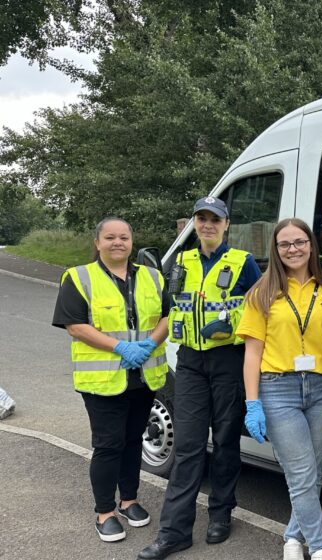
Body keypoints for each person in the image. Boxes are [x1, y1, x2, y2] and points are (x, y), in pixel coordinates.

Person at [139, 196, 261, 559]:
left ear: (226, 225)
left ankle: (221, 514)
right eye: (201, 219)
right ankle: (174, 531)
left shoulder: (244, 263)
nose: (207, 225)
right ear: (194, 223)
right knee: (189, 447)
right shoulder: (180, 262)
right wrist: (146, 346)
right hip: (191, 362)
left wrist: (230, 323)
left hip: (228, 361)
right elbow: (167, 309)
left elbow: (261, 311)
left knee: (225, 442)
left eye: (214, 219)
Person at [237, 218, 322, 560]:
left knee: (312, 471)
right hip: (278, 389)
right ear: (276, 249)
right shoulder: (261, 293)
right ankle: (319, 547)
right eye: (285, 244)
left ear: (311, 246)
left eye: (299, 242)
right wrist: (252, 402)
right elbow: (252, 353)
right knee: (300, 472)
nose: (293, 249)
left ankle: (291, 536)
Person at [52, 217, 168, 542]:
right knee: (108, 445)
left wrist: (149, 344)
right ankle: (104, 512)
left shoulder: (153, 277)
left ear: (132, 241)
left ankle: (129, 500)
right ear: (98, 242)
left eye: (124, 237)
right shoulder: (79, 277)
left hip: (143, 376)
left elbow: (166, 316)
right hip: (103, 380)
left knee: (134, 441)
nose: (118, 242)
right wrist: (119, 346)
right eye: (110, 237)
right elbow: (74, 324)